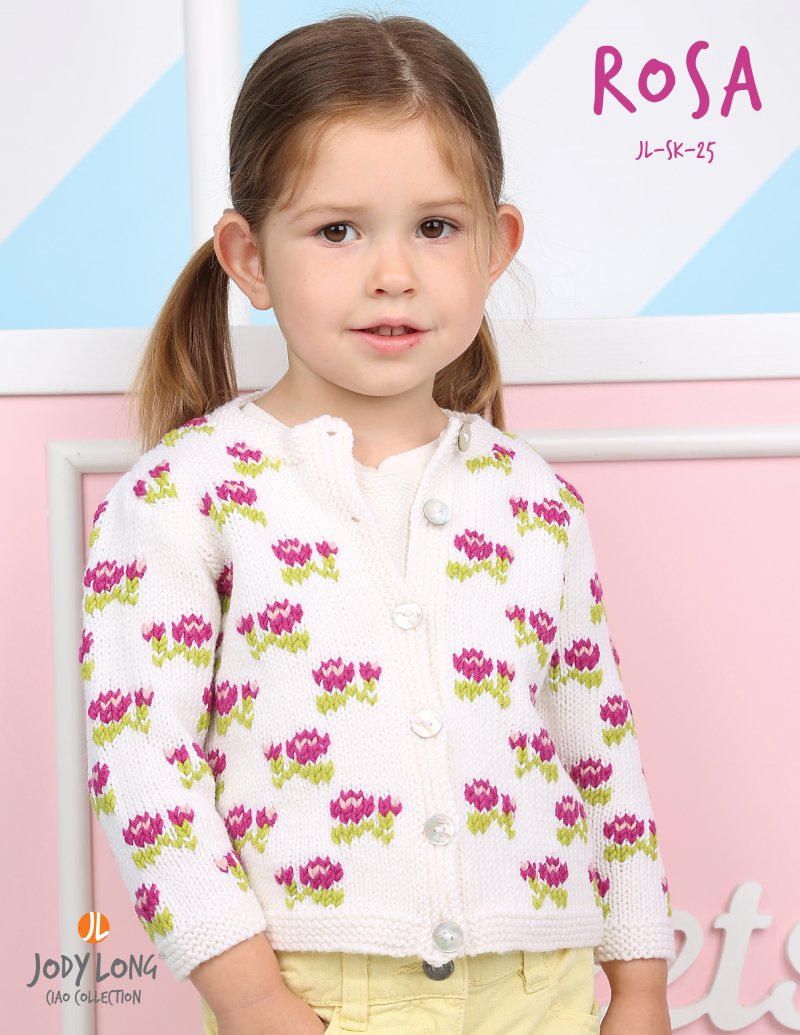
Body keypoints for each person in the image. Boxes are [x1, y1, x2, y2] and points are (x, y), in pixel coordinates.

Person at [80, 11, 675, 1035]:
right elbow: (143, 762)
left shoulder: (534, 499)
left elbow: (598, 750)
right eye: (337, 230)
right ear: (249, 257)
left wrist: (640, 981)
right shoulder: (182, 494)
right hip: (315, 993)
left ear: (497, 245)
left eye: (435, 227)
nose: (391, 272)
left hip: (544, 988)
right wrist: (249, 996)